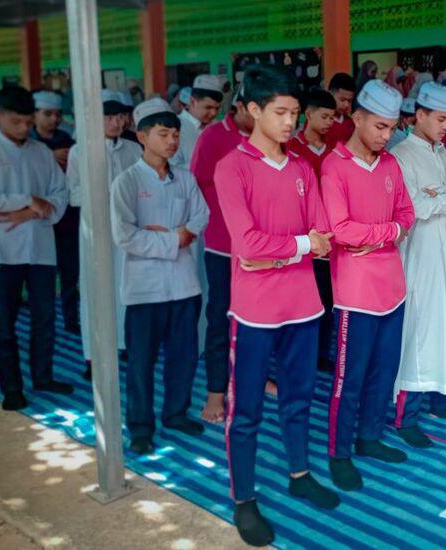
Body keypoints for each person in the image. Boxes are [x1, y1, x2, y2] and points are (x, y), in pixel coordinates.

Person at [213, 67, 339, 546]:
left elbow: (323, 237)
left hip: (303, 305)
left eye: (295, 113)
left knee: (298, 398)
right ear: (254, 110)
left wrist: (287, 249)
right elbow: (247, 246)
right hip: (255, 310)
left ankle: (299, 473)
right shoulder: (234, 167)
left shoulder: (303, 169)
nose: (290, 122)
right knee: (245, 408)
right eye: (280, 112)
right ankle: (244, 499)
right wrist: (301, 245)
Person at [321, 79, 415, 492]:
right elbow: (341, 230)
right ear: (357, 118)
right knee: (350, 377)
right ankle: (339, 453)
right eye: (379, 126)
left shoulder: (390, 164)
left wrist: (379, 234)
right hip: (356, 294)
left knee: (384, 370)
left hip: (392, 286)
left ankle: (370, 436)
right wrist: (388, 233)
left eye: (391, 128)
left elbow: (407, 214)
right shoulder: (335, 166)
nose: (386, 136)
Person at [110, 98, 209, 455]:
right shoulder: (127, 182)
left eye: (175, 135)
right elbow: (125, 236)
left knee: (183, 356)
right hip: (145, 289)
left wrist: (171, 234)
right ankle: (140, 426)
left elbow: (201, 216)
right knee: (141, 362)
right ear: (142, 137)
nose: (171, 141)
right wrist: (174, 238)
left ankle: (176, 413)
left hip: (184, 284)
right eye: (163, 134)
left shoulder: (185, 178)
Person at [390, 81, 446, 447]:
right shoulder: (402, 156)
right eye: (440, 119)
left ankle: (443, 400)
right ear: (419, 115)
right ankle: (406, 417)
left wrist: (443, 198)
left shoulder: (444, 154)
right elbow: (415, 208)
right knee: (421, 329)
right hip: (421, 256)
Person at [0, 86, 72, 411]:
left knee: (44, 317)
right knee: (3, 322)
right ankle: (12, 388)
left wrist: (28, 212)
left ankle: (43, 376)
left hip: (40, 246)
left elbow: (60, 194)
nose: (24, 128)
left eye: (28, 122)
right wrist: (27, 200)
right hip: (1, 251)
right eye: (16, 122)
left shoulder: (41, 152)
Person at [188, 86, 255, 423]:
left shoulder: (266, 137)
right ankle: (216, 389)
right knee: (220, 318)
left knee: (256, 320)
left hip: (259, 247)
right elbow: (195, 185)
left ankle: (252, 377)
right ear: (240, 106)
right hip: (222, 246)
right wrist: (216, 219)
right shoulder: (213, 137)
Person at [67, 93, 143, 379]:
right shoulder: (80, 151)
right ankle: (94, 355)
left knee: (125, 288)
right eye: (109, 117)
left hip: (126, 230)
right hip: (96, 231)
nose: (116, 122)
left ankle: (123, 344)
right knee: (94, 291)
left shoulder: (133, 149)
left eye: (120, 116)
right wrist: (107, 195)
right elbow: (74, 195)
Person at [287, 88, 336, 372]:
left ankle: (320, 355)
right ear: (308, 114)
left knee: (327, 301)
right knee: (301, 303)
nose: (330, 122)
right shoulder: (291, 149)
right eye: (325, 116)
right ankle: (299, 357)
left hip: (329, 240)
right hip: (301, 239)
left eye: (333, 117)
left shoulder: (334, 151)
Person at [31, 90, 81, 335]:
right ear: (35, 115)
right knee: (40, 276)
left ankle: (71, 319)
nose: (54, 119)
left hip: (67, 217)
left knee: (70, 271)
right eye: (48, 114)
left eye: (58, 114)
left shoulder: (66, 139)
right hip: (37, 220)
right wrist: (48, 157)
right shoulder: (27, 142)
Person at [171, 75, 223, 168]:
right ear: (192, 102)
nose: (213, 113)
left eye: (217, 108)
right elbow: (171, 167)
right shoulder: (174, 128)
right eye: (208, 107)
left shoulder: (219, 127)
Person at [325, 72, 356, 149]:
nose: (346, 105)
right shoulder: (318, 121)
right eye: (342, 100)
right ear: (330, 94)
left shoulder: (352, 123)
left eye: (349, 101)